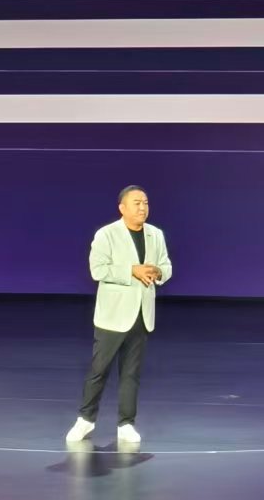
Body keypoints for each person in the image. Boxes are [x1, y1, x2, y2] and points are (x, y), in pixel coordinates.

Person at [66, 185, 173, 445]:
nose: (142, 207)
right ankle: (85, 419)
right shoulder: (107, 234)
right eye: (137, 203)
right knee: (99, 370)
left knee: (131, 373)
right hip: (113, 315)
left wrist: (158, 272)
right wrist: (131, 270)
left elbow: (167, 266)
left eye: (145, 202)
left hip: (141, 313)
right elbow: (97, 270)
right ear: (122, 208)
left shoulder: (156, 234)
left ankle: (126, 423)